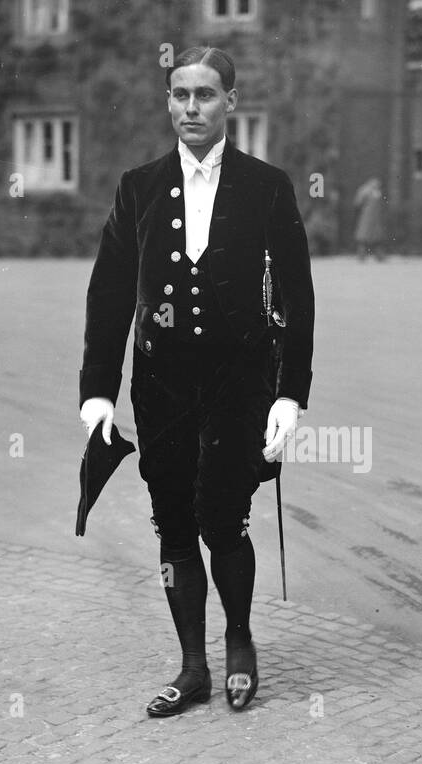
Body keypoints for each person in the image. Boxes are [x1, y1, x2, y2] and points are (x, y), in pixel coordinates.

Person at [78, 46, 315, 717]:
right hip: (164, 387)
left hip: (240, 385)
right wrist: (98, 388)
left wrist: (290, 393)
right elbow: (109, 292)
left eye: (205, 95)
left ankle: (239, 640)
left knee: (224, 516)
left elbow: (297, 295)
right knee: (174, 521)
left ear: (231, 103)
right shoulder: (139, 186)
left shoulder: (268, 186)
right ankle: (192, 664)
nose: (190, 108)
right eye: (179, 95)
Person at [353, 176, 387, 260]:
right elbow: (358, 202)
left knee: (369, 238)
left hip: (370, 218)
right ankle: (367, 255)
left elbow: (357, 203)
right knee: (369, 238)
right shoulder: (369, 192)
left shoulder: (367, 191)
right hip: (369, 218)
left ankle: (371, 255)